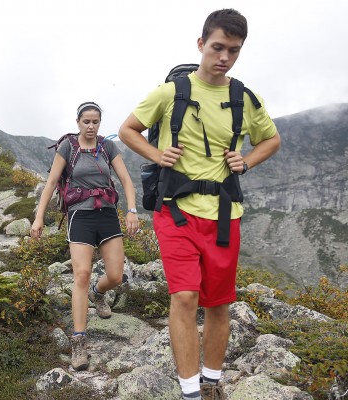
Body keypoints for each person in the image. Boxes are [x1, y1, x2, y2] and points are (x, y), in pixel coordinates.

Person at [118, 9, 281, 400]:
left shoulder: (244, 97)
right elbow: (127, 130)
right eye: (218, 47)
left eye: (234, 51)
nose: (224, 57)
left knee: (220, 304)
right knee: (186, 296)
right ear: (201, 44)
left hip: (225, 216)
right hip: (175, 210)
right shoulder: (170, 93)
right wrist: (158, 155)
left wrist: (247, 161)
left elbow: (271, 139)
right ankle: (190, 391)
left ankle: (211, 382)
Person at [30, 101, 139, 371]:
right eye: (86, 122)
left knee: (115, 275)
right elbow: (52, 182)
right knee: (81, 274)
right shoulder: (68, 147)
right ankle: (79, 340)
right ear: (78, 122)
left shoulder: (107, 146)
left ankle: (97, 293)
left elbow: (125, 179)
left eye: (95, 122)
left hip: (107, 215)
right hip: (80, 216)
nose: (91, 127)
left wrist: (132, 210)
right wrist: (39, 217)